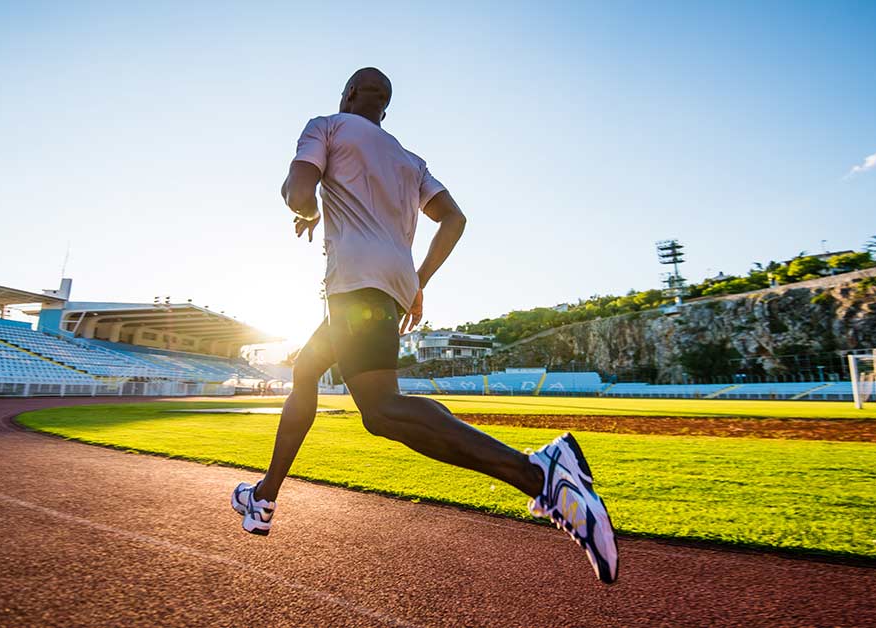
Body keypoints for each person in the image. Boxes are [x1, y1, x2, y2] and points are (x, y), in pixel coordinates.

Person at [231, 68, 618, 583]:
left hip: (355, 286)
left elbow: (298, 190)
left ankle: (541, 473)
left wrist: (304, 209)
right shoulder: (410, 162)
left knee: (382, 411)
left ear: (347, 96)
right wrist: (418, 281)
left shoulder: (325, 126)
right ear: (384, 109)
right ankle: (264, 498)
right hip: (385, 287)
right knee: (306, 373)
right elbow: (454, 219)